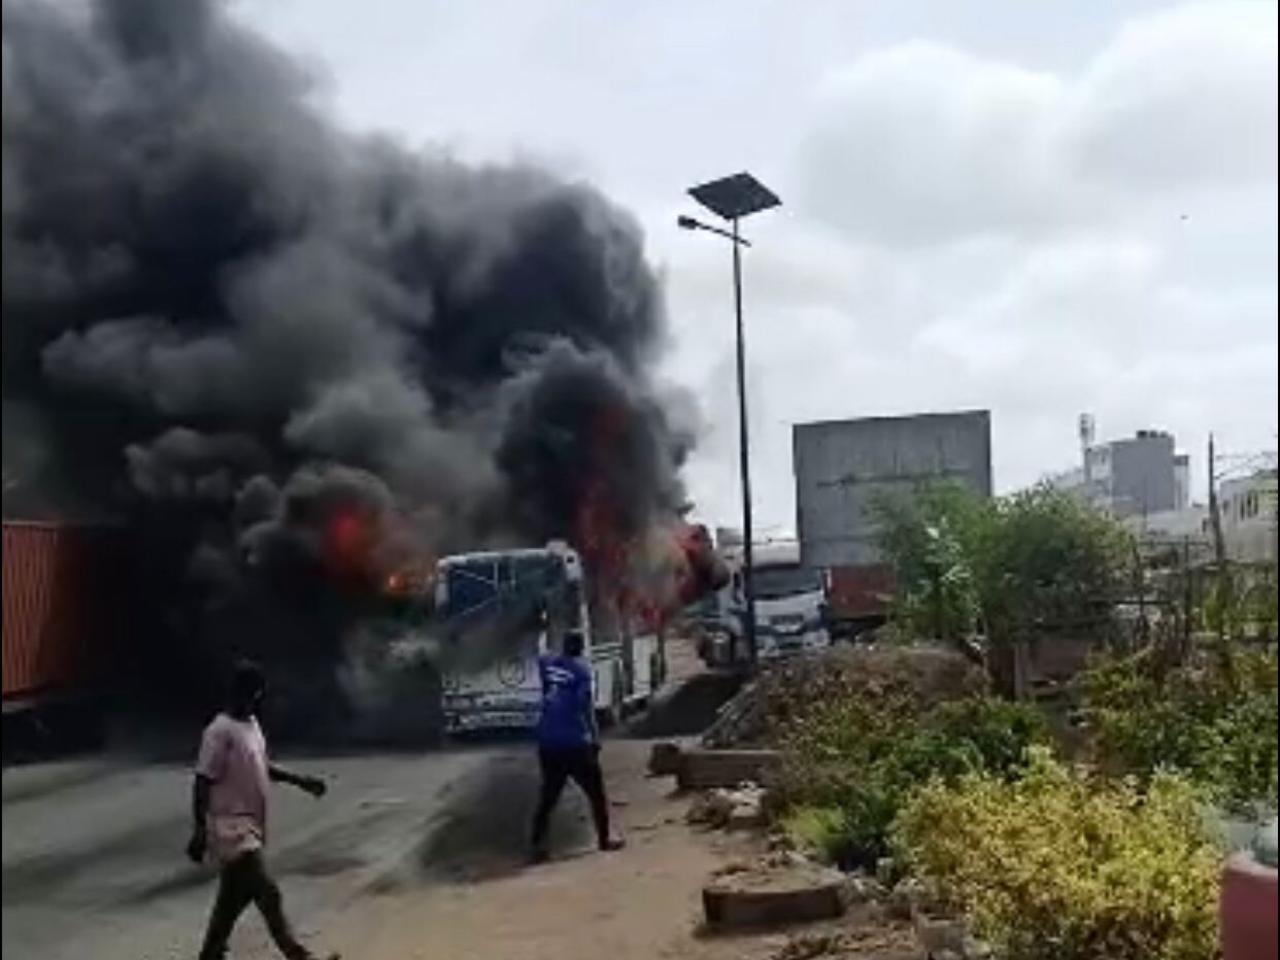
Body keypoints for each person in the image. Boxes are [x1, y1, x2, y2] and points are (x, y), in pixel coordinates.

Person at [187, 660, 338, 960]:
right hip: (231, 828)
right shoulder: (219, 732)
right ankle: (298, 955)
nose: (256, 701)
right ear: (241, 693)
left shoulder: (251, 725)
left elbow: (262, 766)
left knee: (233, 897)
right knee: (268, 893)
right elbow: (203, 780)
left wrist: (301, 781)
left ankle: (210, 954)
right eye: (253, 694)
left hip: (252, 824)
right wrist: (200, 829)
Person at [529, 630, 625, 864]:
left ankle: (537, 847)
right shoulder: (582, 672)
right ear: (581, 649)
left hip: (547, 742)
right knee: (596, 794)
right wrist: (594, 738)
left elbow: (541, 657)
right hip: (574, 743)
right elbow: (585, 709)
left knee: (548, 797)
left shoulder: (548, 664)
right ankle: (604, 840)